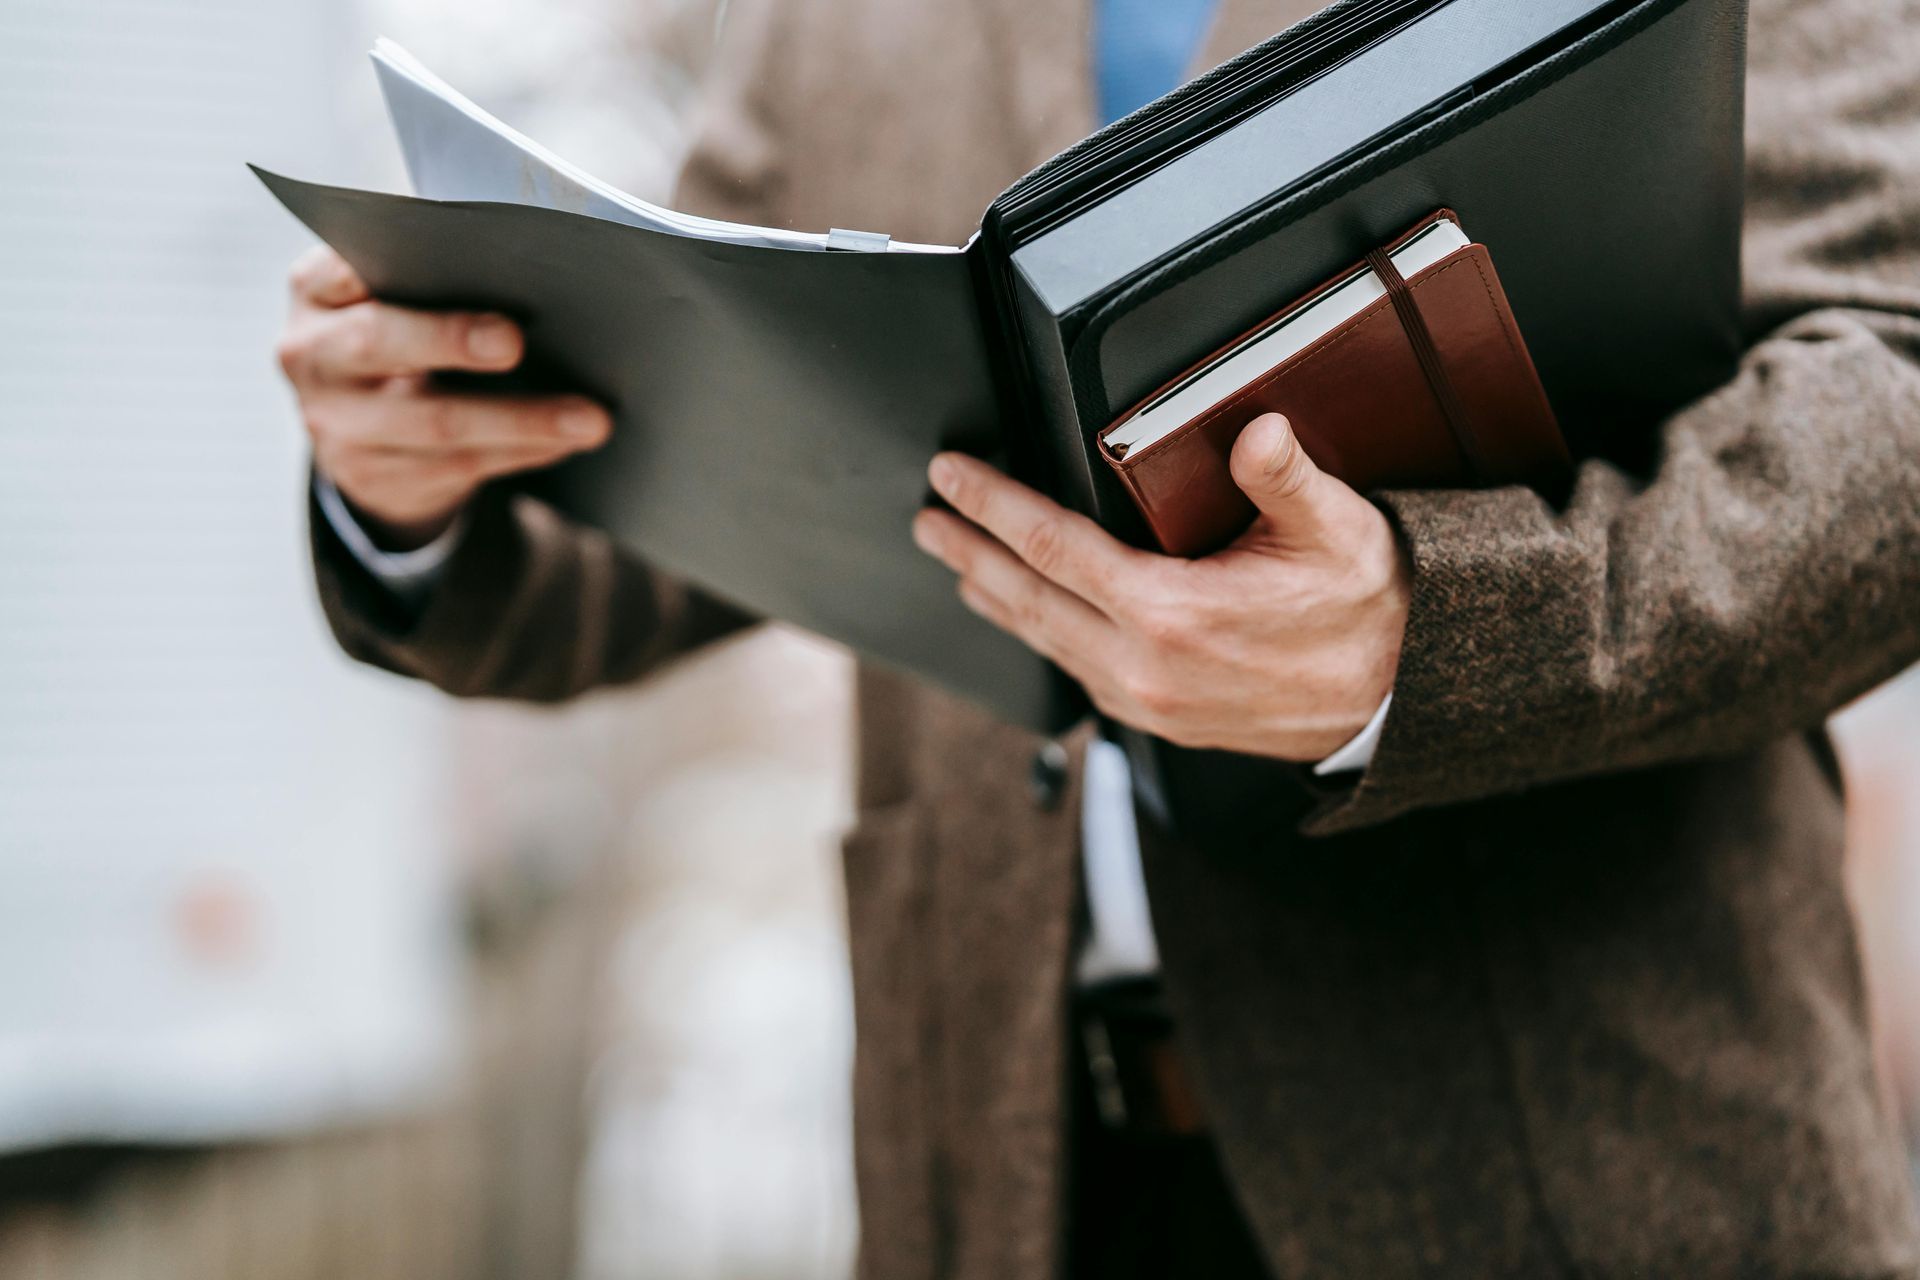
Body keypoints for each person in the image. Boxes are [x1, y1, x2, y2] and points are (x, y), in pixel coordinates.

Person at [273, 0, 1920, 1274]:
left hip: (1576, 1157)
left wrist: (1432, 632)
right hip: (1007, 1176)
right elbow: (733, 431)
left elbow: (1889, 403)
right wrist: (419, 478)